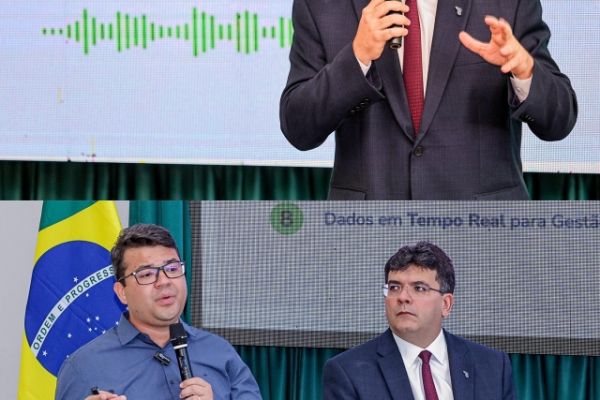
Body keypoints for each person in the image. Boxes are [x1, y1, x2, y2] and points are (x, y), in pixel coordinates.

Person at [280, 0, 577, 200]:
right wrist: (356, 58)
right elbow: (298, 128)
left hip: (482, 226)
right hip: (368, 229)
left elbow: (559, 121)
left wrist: (525, 72)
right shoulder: (320, 6)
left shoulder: (507, 4)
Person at [55, 224, 262, 400]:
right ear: (122, 292)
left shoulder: (220, 352)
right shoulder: (83, 366)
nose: (164, 281)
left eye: (172, 269)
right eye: (147, 274)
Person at [323, 241, 514, 399]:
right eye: (394, 287)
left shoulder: (493, 366)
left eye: (419, 288)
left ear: (446, 304)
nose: (403, 297)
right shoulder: (348, 371)